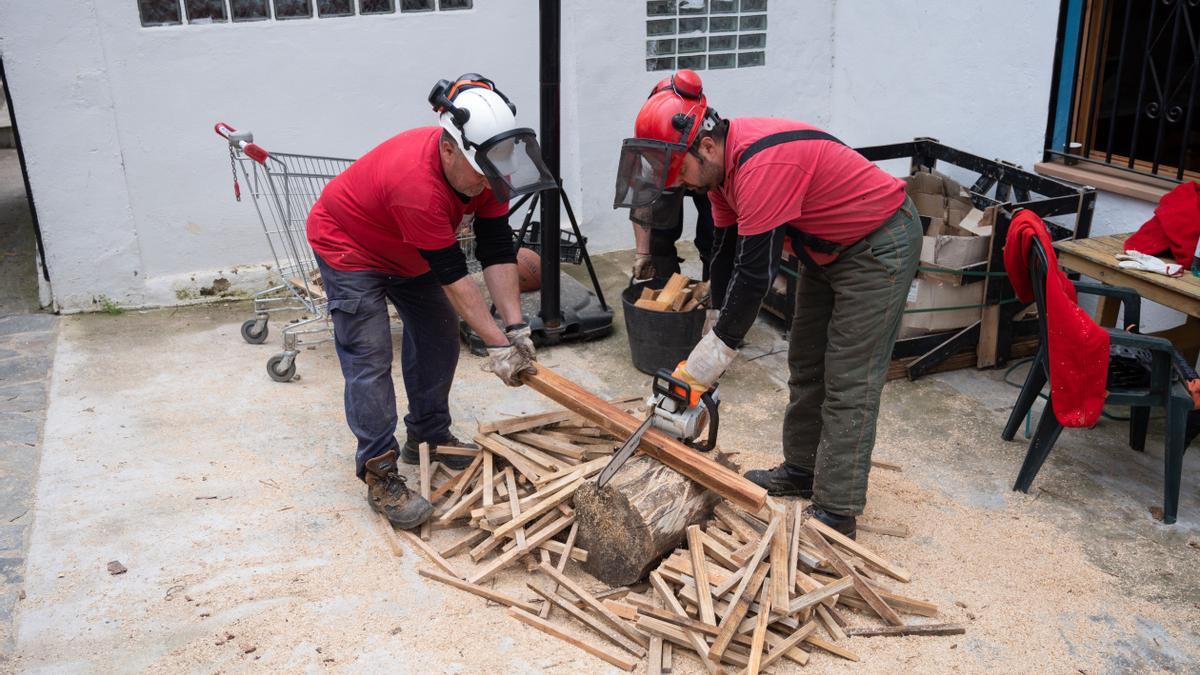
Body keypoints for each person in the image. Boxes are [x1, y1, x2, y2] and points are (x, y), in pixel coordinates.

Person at [613, 70, 922, 538]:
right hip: (826, 249)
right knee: (806, 361)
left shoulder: (762, 167)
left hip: (878, 243)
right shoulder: (720, 177)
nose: (688, 187)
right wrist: (713, 323)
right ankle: (801, 470)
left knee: (849, 377)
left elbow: (756, 274)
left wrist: (712, 359)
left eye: (684, 175)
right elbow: (725, 252)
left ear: (707, 146)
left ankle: (837, 510)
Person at [306, 74, 554, 529]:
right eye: (480, 176)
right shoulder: (416, 185)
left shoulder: (487, 166)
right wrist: (497, 345)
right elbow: (454, 276)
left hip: (410, 249)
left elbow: (498, 249)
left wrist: (515, 327)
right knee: (370, 353)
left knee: (440, 337)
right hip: (350, 245)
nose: (486, 186)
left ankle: (428, 432)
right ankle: (379, 471)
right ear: (448, 148)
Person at [627, 76, 715, 283]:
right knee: (658, 237)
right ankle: (667, 287)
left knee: (713, 235)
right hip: (674, 159)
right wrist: (643, 254)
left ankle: (713, 295)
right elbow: (642, 201)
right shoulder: (652, 136)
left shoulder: (711, 137)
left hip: (704, 169)